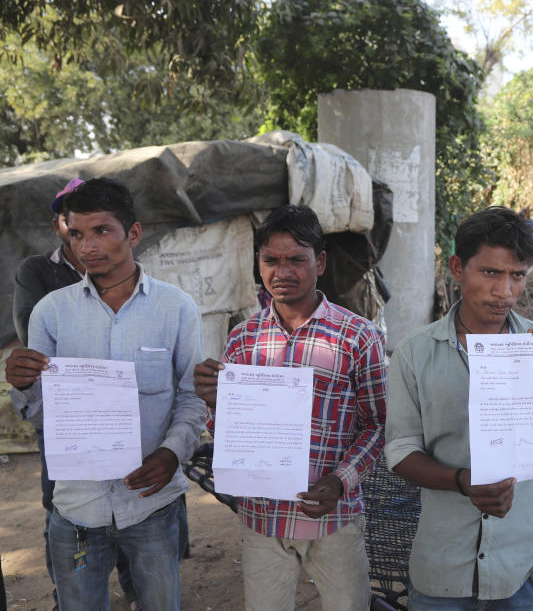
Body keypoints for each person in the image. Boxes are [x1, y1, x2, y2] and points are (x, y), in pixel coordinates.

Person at [4, 178, 206, 611]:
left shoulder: (176, 308)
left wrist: (172, 453)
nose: (86, 246)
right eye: (76, 234)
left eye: (101, 231)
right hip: (77, 506)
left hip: (151, 505)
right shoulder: (50, 313)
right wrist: (23, 387)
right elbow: (42, 416)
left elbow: (191, 398)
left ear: (133, 233)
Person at [193, 205, 385, 611]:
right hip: (263, 520)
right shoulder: (243, 340)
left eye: (296, 259)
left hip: (334, 519)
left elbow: (377, 425)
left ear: (320, 262)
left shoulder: (357, 336)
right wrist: (215, 403)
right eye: (271, 261)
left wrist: (340, 481)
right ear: (258, 265)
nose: (283, 272)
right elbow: (229, 431)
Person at [386, 206, 533, 609]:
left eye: (516, 275)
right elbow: (400, 450)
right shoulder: (415, 353)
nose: (505, 292)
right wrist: (462, 480)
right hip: (444, 564)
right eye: (490, 273)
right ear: (457, 268)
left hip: (524, 562)